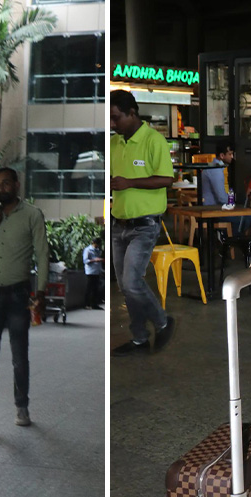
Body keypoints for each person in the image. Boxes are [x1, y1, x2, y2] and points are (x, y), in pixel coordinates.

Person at [0, 167, 48, 432]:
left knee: (19, 356)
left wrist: (40, 293)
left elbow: (42, 255)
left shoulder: (32, 215)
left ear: (16, 184)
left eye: (5, 184)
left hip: (18, 294)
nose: (0, 189)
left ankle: (21, 406)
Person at [110, 88, 176, 357]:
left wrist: (130, 183)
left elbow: (167, 179)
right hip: (119, 224)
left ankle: (162, 321)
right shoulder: (114, 143)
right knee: (125, 285)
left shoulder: (154, 141)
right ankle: (139, 338)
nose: (112, 125)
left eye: (116, 118)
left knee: (132, 281)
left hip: (144, 226)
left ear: (132, 113)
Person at [202, 143, 244, 233]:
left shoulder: (216, 167)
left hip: (212, 207)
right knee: (244, 218)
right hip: (212, 209)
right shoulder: (216, 170)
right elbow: (221, 197)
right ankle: (231, 243)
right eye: (230, 154)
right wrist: (233, 203)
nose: (232, 157)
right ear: (222, 155)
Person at [83, 237, 105, 309]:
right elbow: (85, 261)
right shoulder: (88, 250)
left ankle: (94, 304)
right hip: (90, 272)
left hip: (97, 271)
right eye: (96, 244)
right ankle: (86, 304)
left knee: (96, 289)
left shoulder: (98, 250)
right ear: (93, 243)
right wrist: (95, 260)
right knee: (89, 288)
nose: (97, 246)